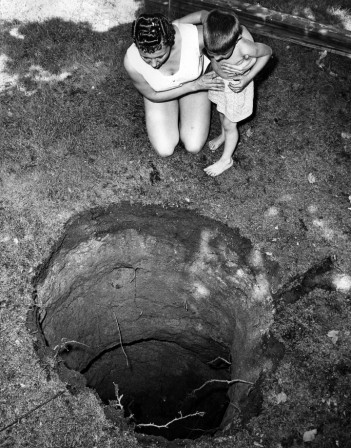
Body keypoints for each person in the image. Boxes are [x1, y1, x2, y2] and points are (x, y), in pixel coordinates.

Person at [123, 12, 227, 157]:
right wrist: (194, 86)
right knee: (164, 149)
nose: (154, 64)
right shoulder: (131, 60)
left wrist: (246, 63)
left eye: (160, 56)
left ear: (170, 41)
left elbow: (234, 31)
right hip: (162, 93)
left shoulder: (194, 37)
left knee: (194, 145)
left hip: (196, 86)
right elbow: (152, 94)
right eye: (146, 57)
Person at [183, 10, 272, 176]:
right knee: (221, 111)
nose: (216, 59)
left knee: (231, 124)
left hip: (236, 87)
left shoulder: (244, 46)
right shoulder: (213, 34)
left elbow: (267, 52)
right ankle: (223, 135)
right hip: (220, 81)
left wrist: (248, 77)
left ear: (235, 40)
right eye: (212, 53)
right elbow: (202, 15)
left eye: (223, 54)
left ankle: (226, 160)